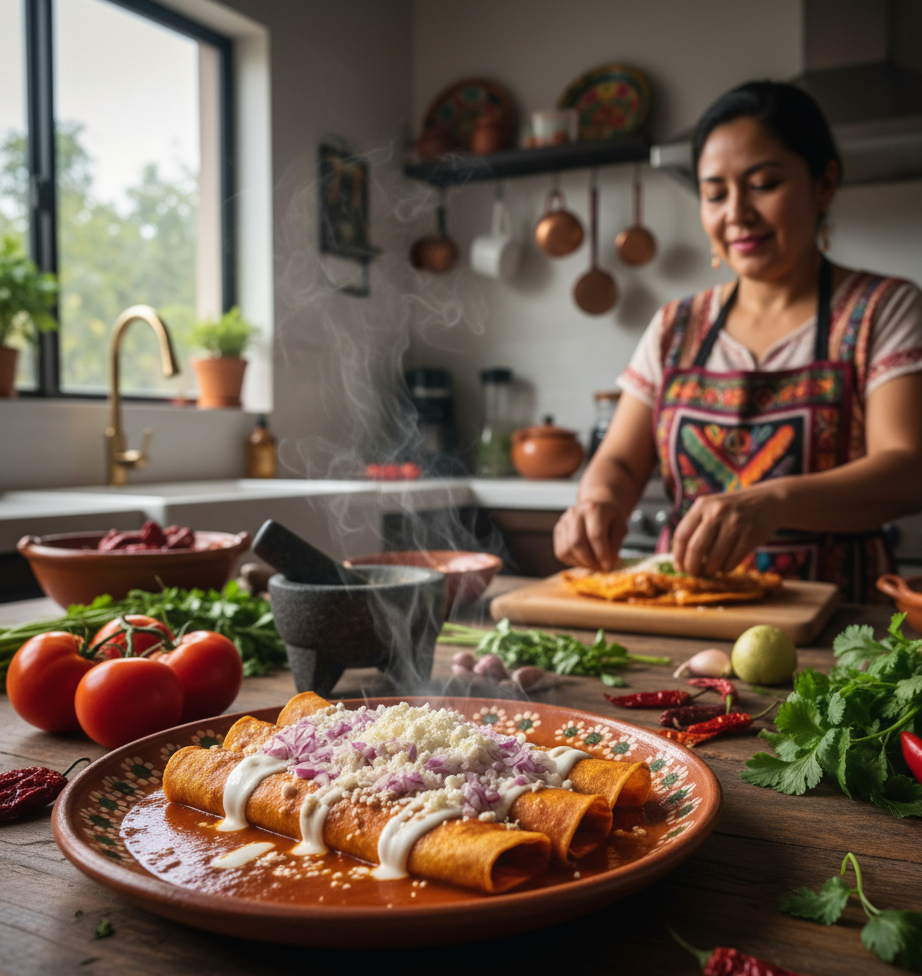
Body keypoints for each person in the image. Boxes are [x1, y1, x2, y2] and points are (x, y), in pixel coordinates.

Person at [554, 80, 922, 602]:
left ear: (824, 184)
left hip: (837, 626)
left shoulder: (884, 309)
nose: (737, 213)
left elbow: (908, 467)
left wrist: (775, 502)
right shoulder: (675, 327)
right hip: (680, 624)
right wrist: (596, 502)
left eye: (764, 183)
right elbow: (618, 462)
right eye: (715, 193)